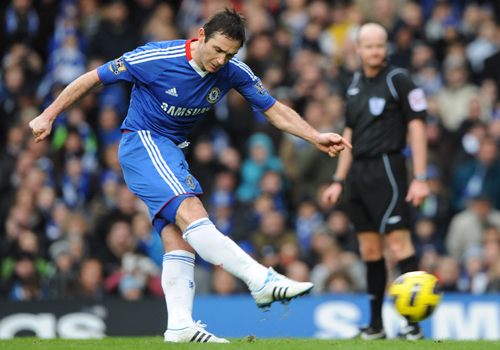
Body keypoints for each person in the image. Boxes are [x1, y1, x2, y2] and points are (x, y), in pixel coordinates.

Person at [29, 7, 351, 343]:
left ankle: (180, 325)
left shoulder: (232, 71)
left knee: (179, 238)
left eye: (230, 54)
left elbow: (274, 110)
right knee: (194, 213)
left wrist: (315, 136)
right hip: (143, 143)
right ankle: (261, 280)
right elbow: (93, 78)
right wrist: (48, 116)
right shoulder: (155, 56)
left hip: (172, 153)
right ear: (201, 36)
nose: (221, 60)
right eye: (217, 50)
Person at [323, 23, 430, 340]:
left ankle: (412, 323)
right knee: (370, 250)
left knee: (399, 244)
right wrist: (338, 180)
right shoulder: (354, 83)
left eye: (380, 45)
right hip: (357, 173)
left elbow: (418, 127)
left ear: (386, 47)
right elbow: (349, 134)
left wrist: (421, 177)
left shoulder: (399, 79)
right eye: (369, 46)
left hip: (388, 168)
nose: (375, 51)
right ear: (357, 48)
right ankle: (376, 326)